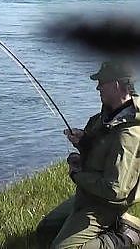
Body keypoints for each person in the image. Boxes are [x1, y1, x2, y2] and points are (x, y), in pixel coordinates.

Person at [36, 60, 140, 248]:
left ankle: (125, 236)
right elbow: (101, 151)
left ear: (116, 85)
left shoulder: (129, 134)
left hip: (106, 205)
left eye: (101, 82)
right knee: (44, 230)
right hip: (88, 195)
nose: (97, 87)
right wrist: (83, 142)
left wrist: (77, 175)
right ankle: (116, 225)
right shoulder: (107, 115)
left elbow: (115, 190)